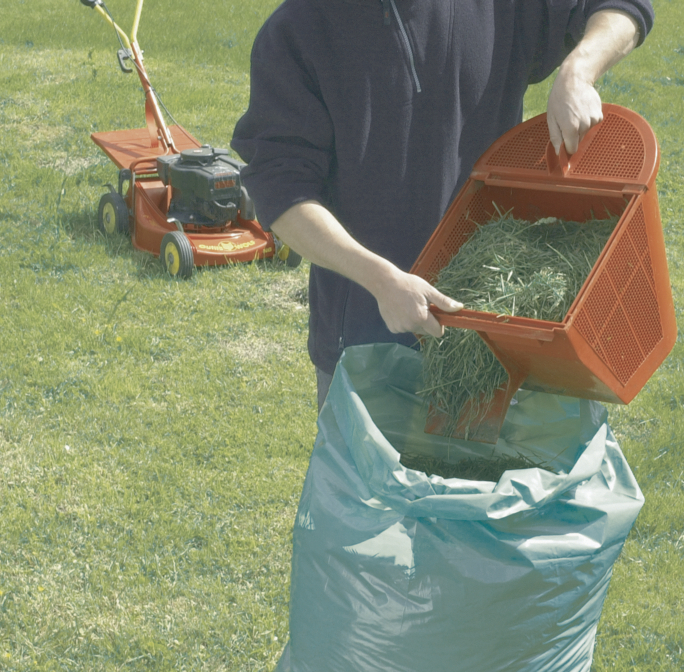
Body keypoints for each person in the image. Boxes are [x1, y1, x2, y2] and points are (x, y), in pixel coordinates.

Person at [232, 1, 652, 410]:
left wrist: (579, 71)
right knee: (371, 482)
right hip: (369, 342)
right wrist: (381, 280)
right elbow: (282, 194)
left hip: (495, 325)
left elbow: (620, 6)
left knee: (502, 480)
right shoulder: (299, 30)